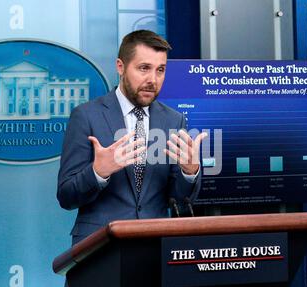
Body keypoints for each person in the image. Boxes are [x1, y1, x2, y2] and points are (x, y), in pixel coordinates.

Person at [57, 30, 207, 245]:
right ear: (121, 67)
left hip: (155, 246)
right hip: (98, 250)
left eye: (160, 70)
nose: (152, 80)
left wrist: (190, 172)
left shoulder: (174, 120)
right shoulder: (86, 116)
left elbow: (180, 201)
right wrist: (98, 172)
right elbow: (66, 196)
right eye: (144, 68)